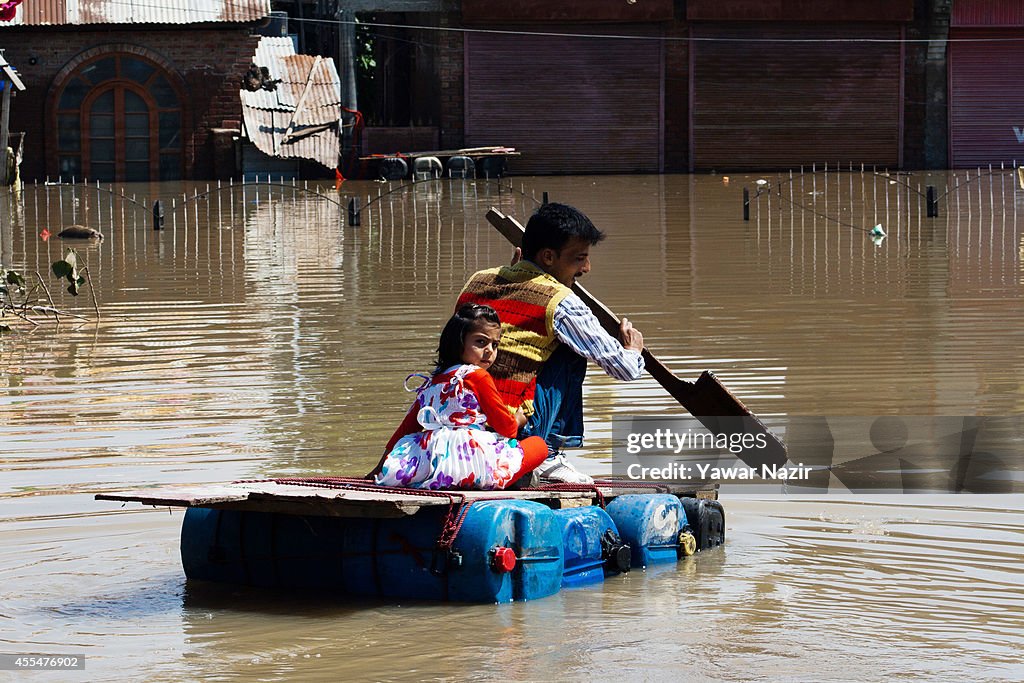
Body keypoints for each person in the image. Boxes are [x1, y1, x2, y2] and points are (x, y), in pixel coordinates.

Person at [457, 203, 645, 484]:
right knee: (571, 348)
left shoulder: (478, 281)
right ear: (547, 257)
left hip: (459, 417)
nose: (587, 268)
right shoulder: (561, 301)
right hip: (510, 426)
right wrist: (632, 350)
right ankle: (548, 455)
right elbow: (625, 370)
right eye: (579, 258)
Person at [374, 303, 549, 490]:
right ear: (458, 343)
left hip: (435, 462)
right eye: (481, 342)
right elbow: (507, 429)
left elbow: (405, 430)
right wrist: (518, 419)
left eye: (495, 344)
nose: (490, 350)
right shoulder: (478, 376)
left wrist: (378, 469)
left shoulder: (432, 382)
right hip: (472, 463)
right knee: (539, 445)